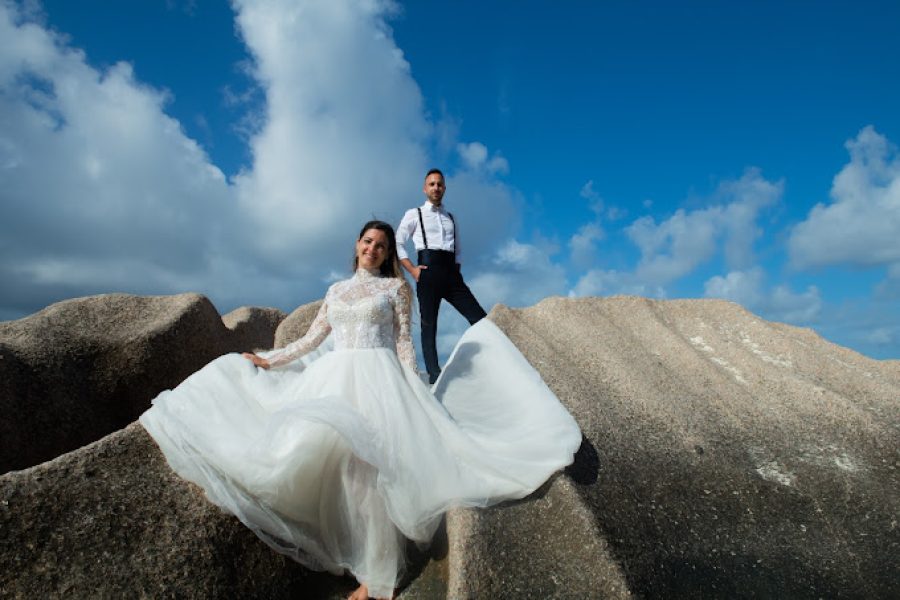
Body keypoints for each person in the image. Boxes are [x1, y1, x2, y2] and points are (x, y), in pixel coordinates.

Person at [139, 220, 581, 600]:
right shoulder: (335, 290)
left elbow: (405, 342)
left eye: (381, 245)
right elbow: (312, 339)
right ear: (357, 245)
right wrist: (269, 359)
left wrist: (416, 387)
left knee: (369, 473)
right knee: (321, 459)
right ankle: (346, 553)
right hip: (335, 377)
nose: (372, 249)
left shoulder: (395, 288)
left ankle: (375, 577)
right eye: (367, 241)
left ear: (389, 254)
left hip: (380, 380)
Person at [396, 168, 487, 384]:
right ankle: (434, 376)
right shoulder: (414, 213)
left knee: (481, 319)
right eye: (432, 184)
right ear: (425, 188)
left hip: (451, 274)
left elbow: (459, 248)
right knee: (429, 325)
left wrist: (456, 270)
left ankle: (488, 362)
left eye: (439, 184)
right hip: (427, 271)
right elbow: (398, 242)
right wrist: (412, 270)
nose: (436, 187)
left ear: (444, 188)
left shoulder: (451, 218)